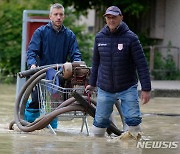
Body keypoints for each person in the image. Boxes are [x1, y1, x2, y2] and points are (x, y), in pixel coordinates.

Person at [85, 6, 151, 138]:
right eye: (108, 17)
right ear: (105, 19)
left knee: (133, 121)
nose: (111, 20)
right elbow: (96, 63)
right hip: (105, 87)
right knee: (99, 126)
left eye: (114, 17)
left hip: (127, 87)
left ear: (121, 17)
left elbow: (142, 64)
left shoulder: (131, 38)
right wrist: (92, 84)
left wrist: (146, 88)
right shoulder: (99, 38)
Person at [25, 3, 82, 128]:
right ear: (50, 16)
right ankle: (28, 125)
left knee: (54, 103)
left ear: (64, 16)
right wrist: (32, 65)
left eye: (61, 14)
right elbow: (31, 52)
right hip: (40, 75)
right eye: (55, 14)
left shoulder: (69, 35)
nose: (58, 17)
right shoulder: (40, 32)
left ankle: (51, 129)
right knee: (36, 102)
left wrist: (78, 65)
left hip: (58, 75)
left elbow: (75, 54)